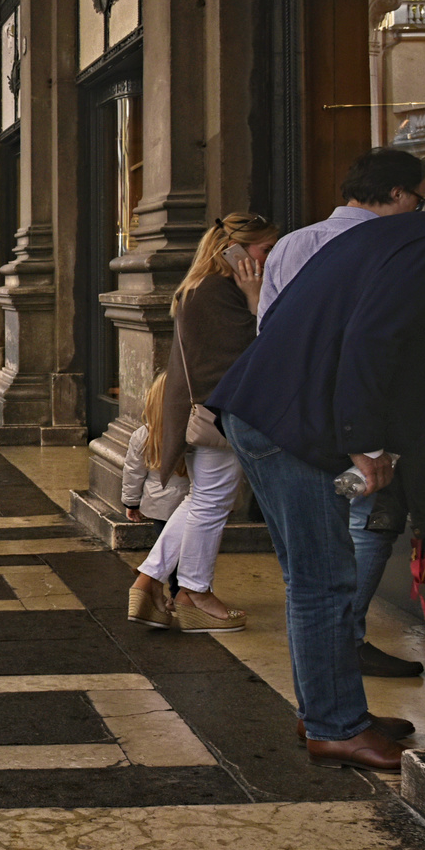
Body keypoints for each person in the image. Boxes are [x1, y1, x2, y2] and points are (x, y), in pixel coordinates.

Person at [209, 161, 425, 772]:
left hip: (270, 414)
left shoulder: (417, 235)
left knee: (315, 579)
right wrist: (363, 444)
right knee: (324, 582)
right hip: (291, 425)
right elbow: (375, 341)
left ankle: (331, 709)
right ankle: (335, 726)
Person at [257, 148, 425, 679]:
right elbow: (378, 343)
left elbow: (271, 330)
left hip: (292, 414)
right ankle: (342, 648)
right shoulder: (393, 248)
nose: (419, 212)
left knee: (311, 556)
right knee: (366, 523)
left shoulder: (292, 244)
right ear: (398, 194)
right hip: (356, 414)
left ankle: (328, 661)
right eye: (418, 201)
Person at [127, 212, 278, 634]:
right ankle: (194, 592)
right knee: (211, 503)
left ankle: (148, 580)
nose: (270, 257)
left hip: (213, 411)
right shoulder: (215, 292)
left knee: (203, 499)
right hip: (222, 413)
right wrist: (255, 299)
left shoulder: (201, 288)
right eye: (265, 248)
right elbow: (254, 352)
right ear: (233, 250)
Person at [122, 372, 190, 597]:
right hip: (189, 503)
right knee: (192, 550)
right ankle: (188, 594)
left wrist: (131, 503)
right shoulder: (194, 434)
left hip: (160, 505)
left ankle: (173, 594)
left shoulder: (143, 435)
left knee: (168, 551)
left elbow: (134, 472)